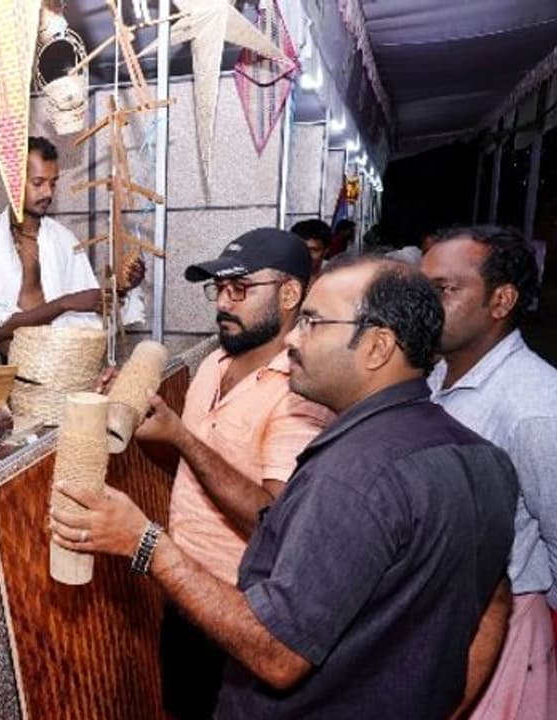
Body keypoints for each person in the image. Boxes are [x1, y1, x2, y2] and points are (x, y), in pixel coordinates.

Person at [53, 257, 518, 718]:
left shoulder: (350, 477)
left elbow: (277, 655)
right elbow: (495, 603)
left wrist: (145, 543)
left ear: (378, 347)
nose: (293, 337)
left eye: (313, 323)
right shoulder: (485, 460)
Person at [131, 227, 334, 718]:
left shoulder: (299, 391)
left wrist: (181, 436)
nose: (224, 302)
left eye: (240, 289)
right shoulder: (214, 365)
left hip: (243, 612)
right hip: (186, 595)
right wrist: (157, 433)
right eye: (218, 289)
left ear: (290, 294)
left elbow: (274, 519)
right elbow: (190, 470)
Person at [422, 226, 557, 719]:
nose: (425, 303)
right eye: (422, 288)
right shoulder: (435, 375)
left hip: (504, 636)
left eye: (445, 290)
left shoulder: (536, 406)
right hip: (444, 624)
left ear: (501, 301)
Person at [0, 136, 145, 386]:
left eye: (53, 183)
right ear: (12, 182)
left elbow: (92, 310)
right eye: (38, 183)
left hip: (69, 372)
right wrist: (65, 304)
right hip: (20, 377)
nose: (48, 192)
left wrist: (122, 287)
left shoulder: (63, 239)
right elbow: (1, 328)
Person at [289, 218, 329, 283]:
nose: (306, 255)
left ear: (325, 252)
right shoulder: (282, 275)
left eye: (313, 250)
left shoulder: (334, 275)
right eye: (301, 249)